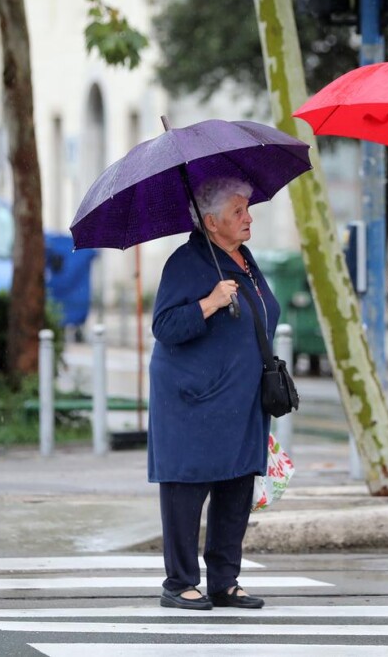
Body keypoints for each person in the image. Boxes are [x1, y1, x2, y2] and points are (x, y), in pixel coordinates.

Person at [148, 176, 276, 611]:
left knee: (236, 485)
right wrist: (209, 303)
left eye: (247, 208)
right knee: (188, 486)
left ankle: (225, 579)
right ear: (211, 221)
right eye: (238, 211)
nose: (248, 217)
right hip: (193, 399)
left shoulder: (243, 259)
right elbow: (164, 327)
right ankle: (179, 581)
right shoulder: (186, 263)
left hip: (241, 397)